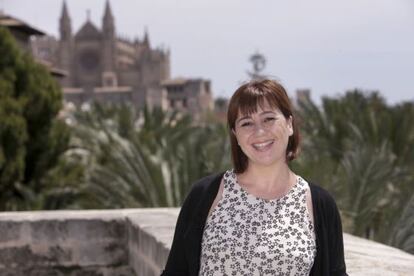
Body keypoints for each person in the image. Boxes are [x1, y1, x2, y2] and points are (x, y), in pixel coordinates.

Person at [161, 79, 347, 276]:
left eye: (268, 119)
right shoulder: (206, 195)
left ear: (290, 124)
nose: (259, 132)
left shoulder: (319, 204)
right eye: (246, 123)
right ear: (236, 135)